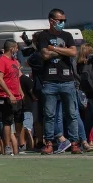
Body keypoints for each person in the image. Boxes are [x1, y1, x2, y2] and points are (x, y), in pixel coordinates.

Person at [33, 9, 83, 154]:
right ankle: (49, 143)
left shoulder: (67, 35)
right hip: (50, 81)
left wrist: (53, 48)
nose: (62, 23)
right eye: (60, 20)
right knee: (49, 114)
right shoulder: (44, 35)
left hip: (67, 81)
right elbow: (44, 55)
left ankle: (74, 143)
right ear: (52, 21)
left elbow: (73, 52)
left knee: (72, 114)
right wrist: (63, 50)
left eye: (64, 20)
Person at [0, 40, 24, 156]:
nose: (17, 50)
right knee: (7, 121)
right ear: (12, 49)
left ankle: (18, 142)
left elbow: (17, 78)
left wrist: (20, 92)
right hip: (6, 96)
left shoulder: (14, 61)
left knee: (19, 121)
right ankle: (7, 146)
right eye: (16, 48)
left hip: (17, 96)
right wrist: (10, 94)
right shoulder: (1, 61)